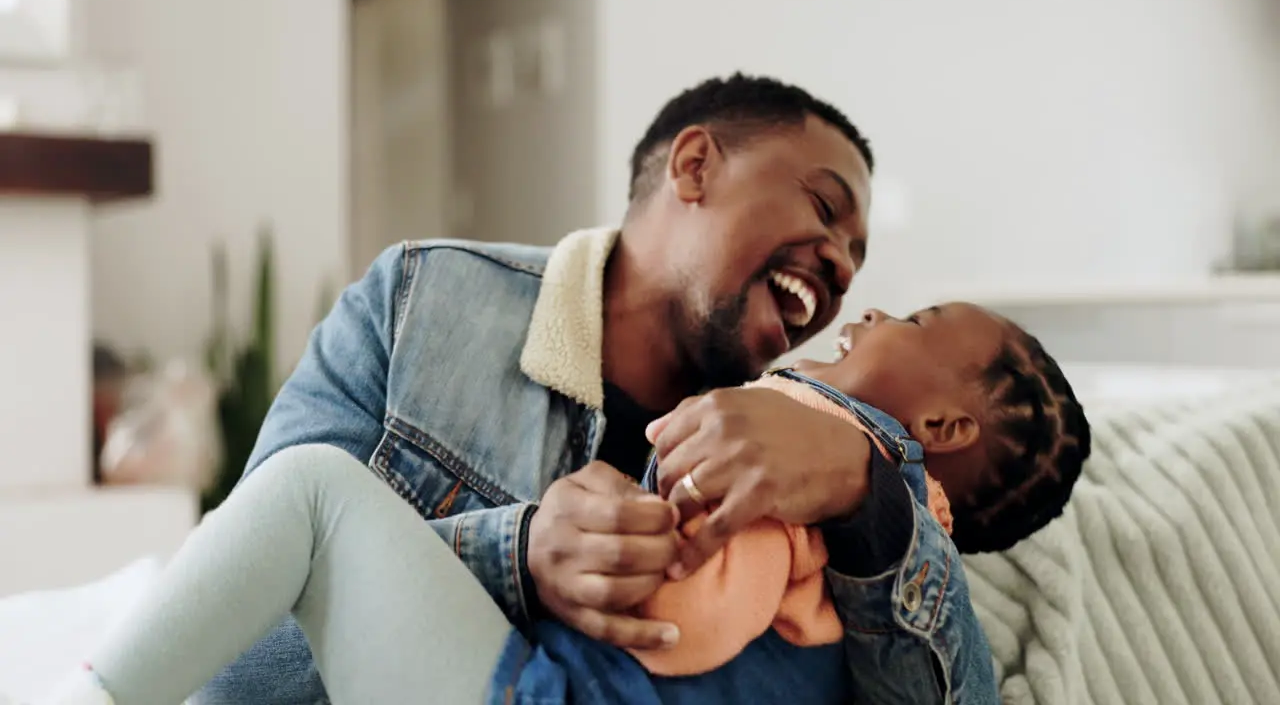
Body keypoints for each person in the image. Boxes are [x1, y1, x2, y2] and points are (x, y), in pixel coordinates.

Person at [174, 72, 994, 703]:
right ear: (695, 164)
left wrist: (865, 497)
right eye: (824, 205)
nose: (844, 267)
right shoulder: (421, 306)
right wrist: (516, 559)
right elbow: (227, 657)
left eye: (856, 253)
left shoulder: (825, 459)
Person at [44, 304, 1088, 705]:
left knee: (316, 491)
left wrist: (656, 536)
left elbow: (691, 620)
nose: (868, 308)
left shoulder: (831, 460)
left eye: (914, 317)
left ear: (944, 432)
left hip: (546, 699)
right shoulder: (812, 478)